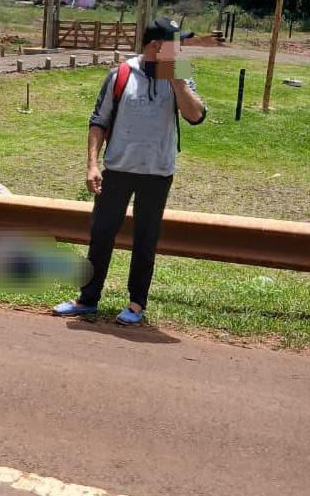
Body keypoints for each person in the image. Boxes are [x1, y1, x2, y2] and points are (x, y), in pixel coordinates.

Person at [53, 17, 206, 325]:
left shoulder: (181, 71)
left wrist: (176, 77)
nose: (182, 48)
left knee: (146, 239)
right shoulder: (121, 74)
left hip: (157, 172)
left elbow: (196, 116)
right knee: (101, 234)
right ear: (156, 45)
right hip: (118, 169)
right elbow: (99, 121)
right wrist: (92, 165)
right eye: (176, 42)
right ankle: (87, 299)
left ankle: (136, 304)